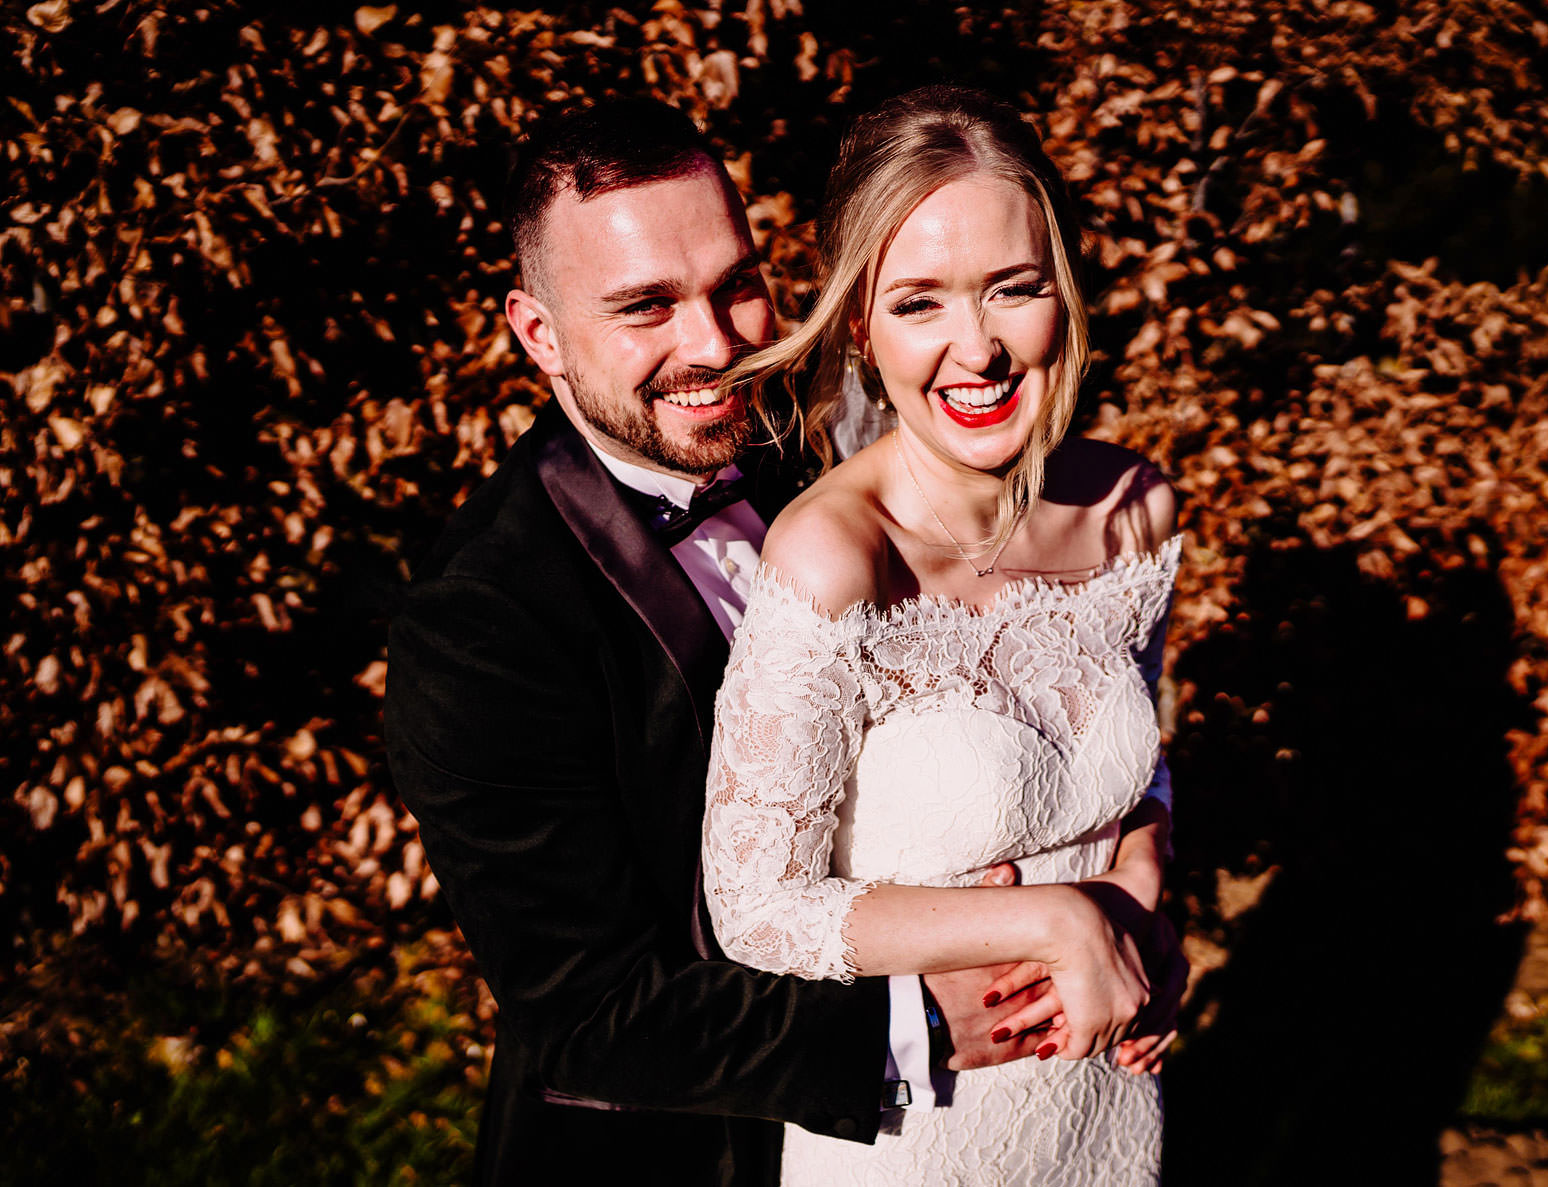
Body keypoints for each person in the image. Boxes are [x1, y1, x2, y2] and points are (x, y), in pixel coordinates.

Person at [382, 99, 1075, 1187]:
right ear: (537, 334)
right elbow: (590, 1010)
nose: (713, 344)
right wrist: (921, 1020)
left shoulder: (832, 443)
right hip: (690, 1152)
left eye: (736, 285)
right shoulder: (484, 620)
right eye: (645, 307)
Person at [702, 86, 1186, 1186]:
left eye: (1013, 289)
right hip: (919, 1131)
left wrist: (1146, 879)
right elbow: (756, 907)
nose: (978, 349)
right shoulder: (831, 557)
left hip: (1108, 1108)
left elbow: (1131, 771)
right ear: (859, 324)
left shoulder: (1133, 509)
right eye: (919, 302)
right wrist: (1066, 919)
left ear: (1060, 289)